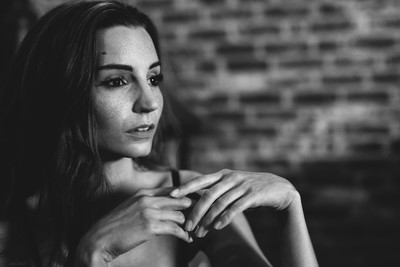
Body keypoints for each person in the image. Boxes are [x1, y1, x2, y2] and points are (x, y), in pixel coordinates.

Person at [0, 1, 318, 266]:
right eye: (116, 81)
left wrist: (291, 205)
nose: (150, 102)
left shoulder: (192, 200)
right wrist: (92, 253)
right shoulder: (14, 226)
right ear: (60, 92)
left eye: (153, 78)